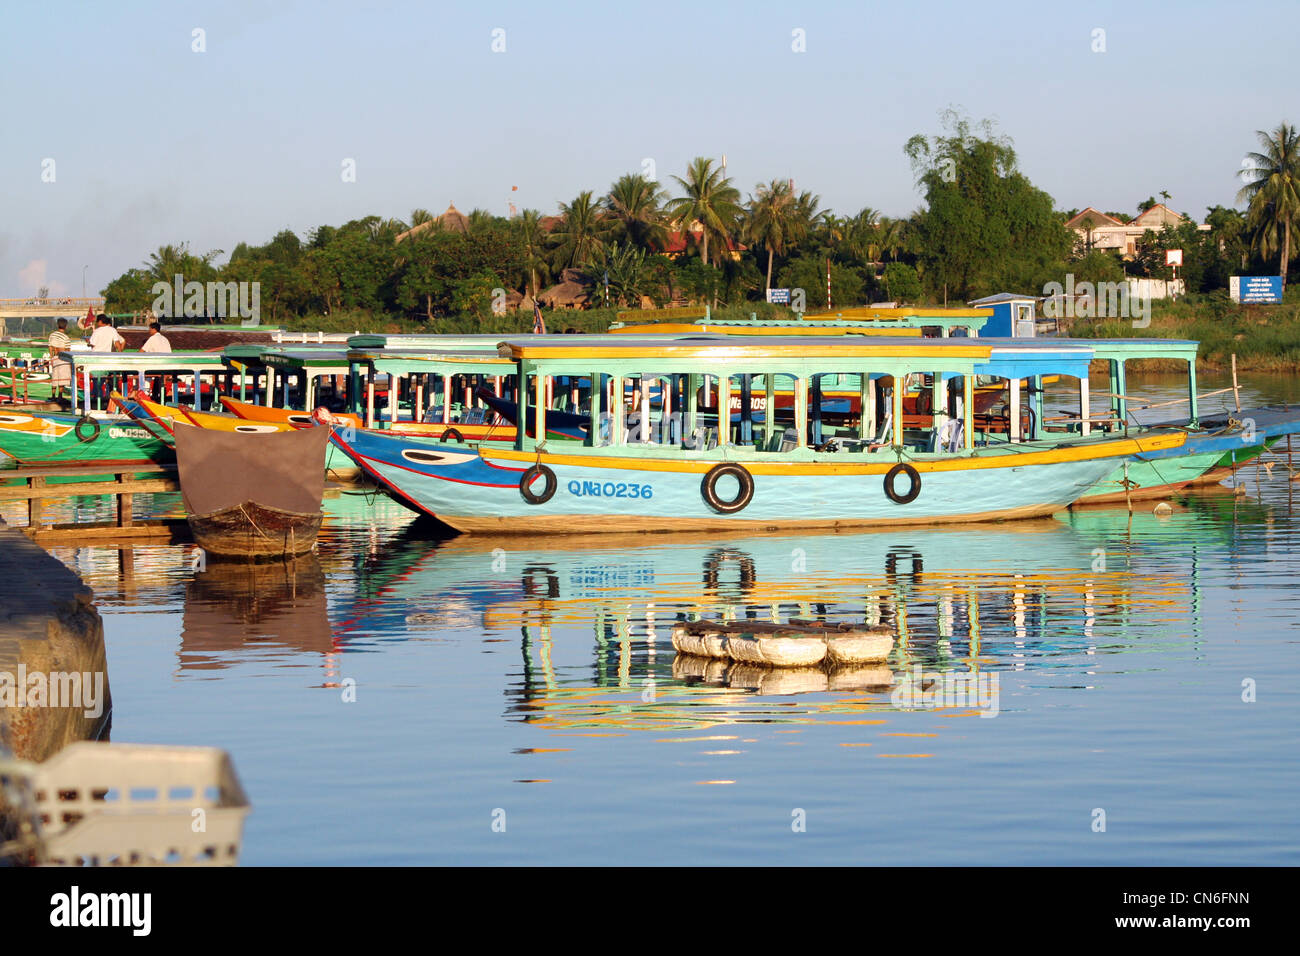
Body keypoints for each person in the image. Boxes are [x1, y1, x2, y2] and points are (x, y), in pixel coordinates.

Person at [48, 318, 73, 398]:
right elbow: (68, 350)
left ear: (57, 325)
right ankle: (60, 396)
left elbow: (50, 347)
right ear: (66, 326)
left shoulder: (52, 335)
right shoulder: (66, 338)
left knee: (55, 377)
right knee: (62, 379)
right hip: (63, 359)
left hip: (55, 358)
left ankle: (53, 395)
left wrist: (52, 358)